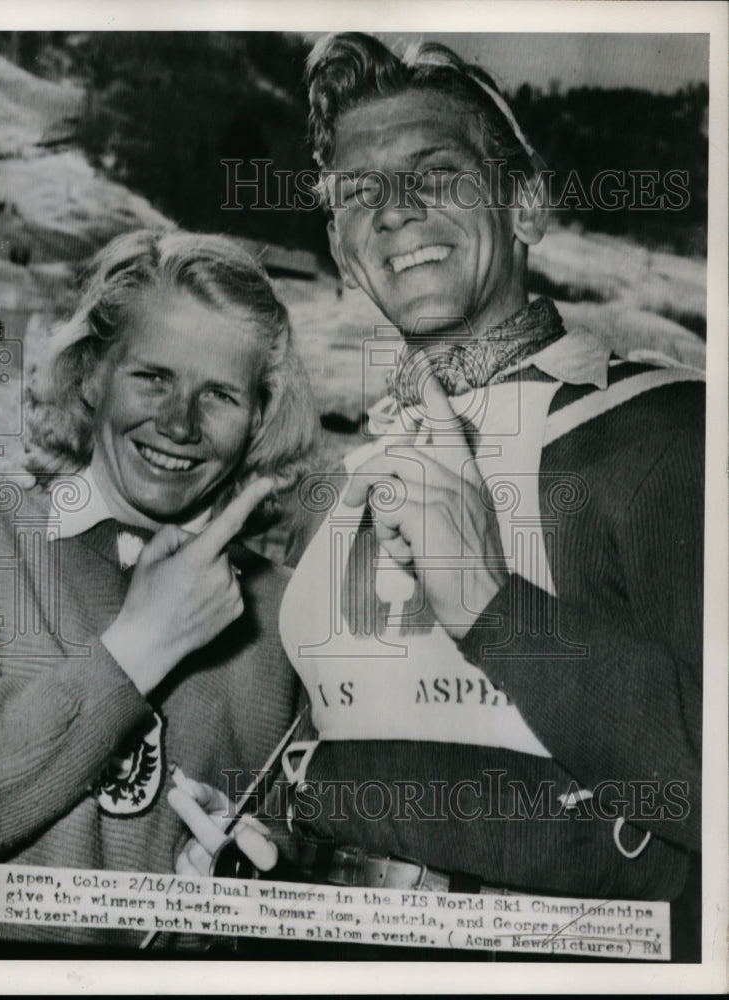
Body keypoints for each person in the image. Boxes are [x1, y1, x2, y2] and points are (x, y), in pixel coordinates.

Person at [176, 33, 704, 962]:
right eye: (357, 196)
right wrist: (271, 863)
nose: (395, 211)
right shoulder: (347, 483)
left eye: (436, 172)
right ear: (342, 255)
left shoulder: (663, 435)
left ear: (527, 204)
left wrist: (491, 605)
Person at [0, 229, 317, 954]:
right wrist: (140, 646)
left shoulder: (285, 613)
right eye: (153, 377)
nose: (179, 424)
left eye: (219, 394)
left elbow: (300, 896)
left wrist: (249, 893)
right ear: (92, 373)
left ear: (260, 419)